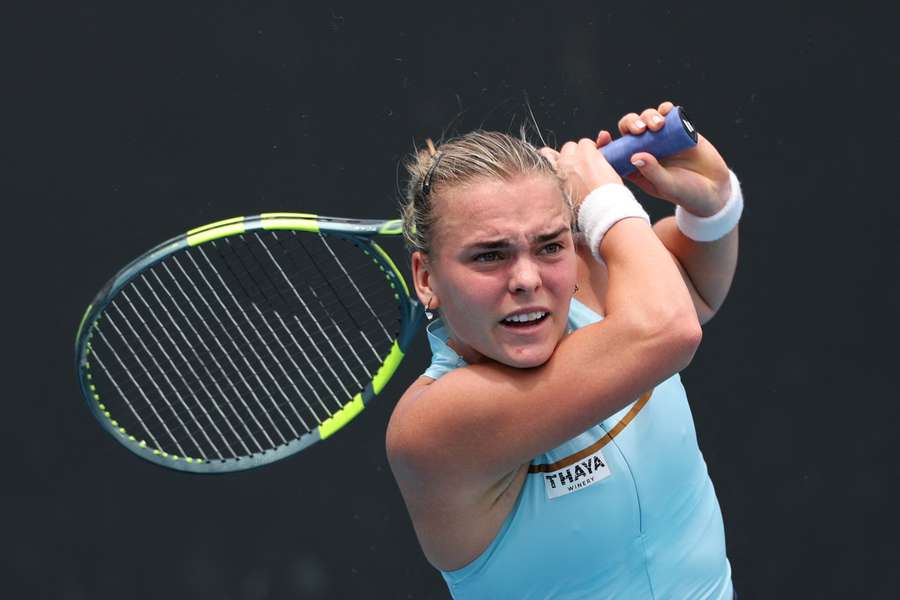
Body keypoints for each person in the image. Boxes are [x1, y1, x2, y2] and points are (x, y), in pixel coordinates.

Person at [386, 101, 742, 599]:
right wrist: (602, 197)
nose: (528, 279)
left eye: (549, 246)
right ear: (426, 278)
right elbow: (670, 327)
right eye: (490, 255)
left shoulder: (594, 286)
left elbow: (694, 287)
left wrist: (712, 203)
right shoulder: (433, 427)